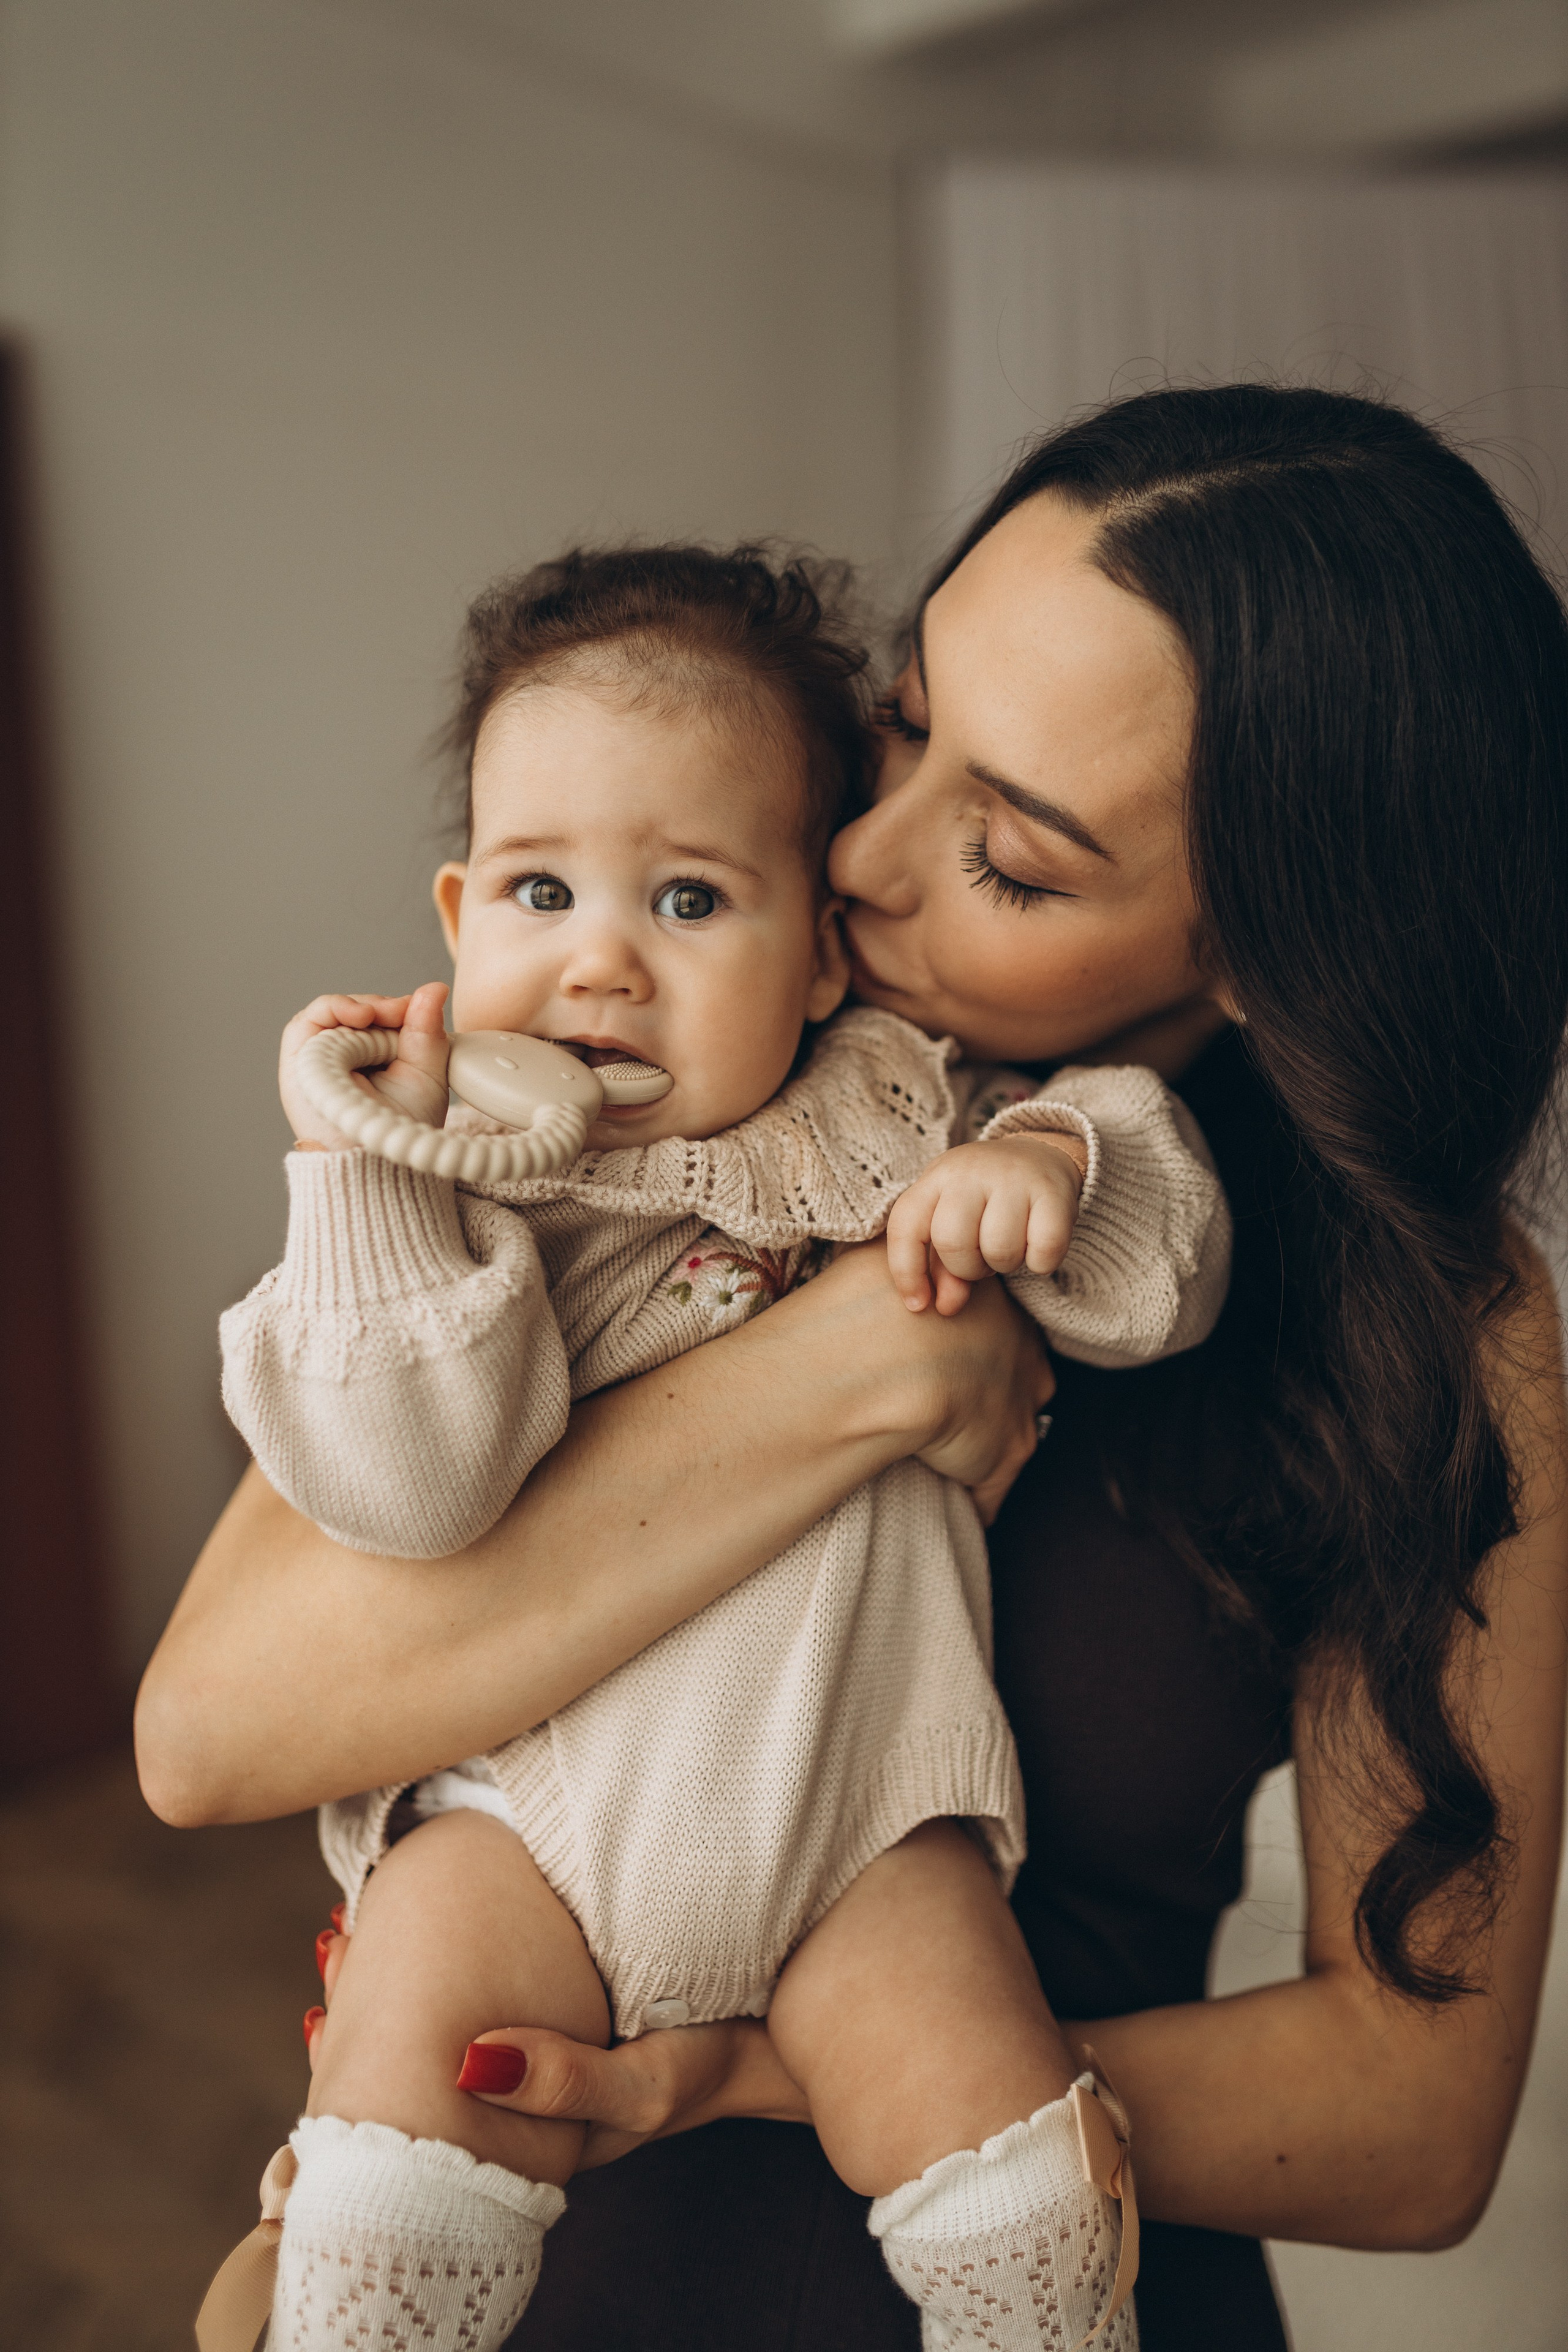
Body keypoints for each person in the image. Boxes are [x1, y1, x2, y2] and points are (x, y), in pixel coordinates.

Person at [138, 386, 1568, 2352]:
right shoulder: (610, 1131)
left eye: (1012, 851)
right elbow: (211, 1731)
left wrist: (769, 2074)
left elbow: (1409, 2127)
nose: (860, 858)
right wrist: (871, 1370)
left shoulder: (1438, 1330)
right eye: (906, 722)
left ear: (1267, 947)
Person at [209, 543, 1228, 2352]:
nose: (600, 961)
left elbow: (1159, 1273)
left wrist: (1050, 1175)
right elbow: (408, 1490)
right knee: (398, 2088)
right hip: (520, 1821)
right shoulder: (455, 1192)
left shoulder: (911, 1106)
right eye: (539, 890)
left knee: (1011, 2157)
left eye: (688, 901)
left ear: (822, 948)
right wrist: (356, 1182)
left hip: (861, 1820)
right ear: (457, 920)